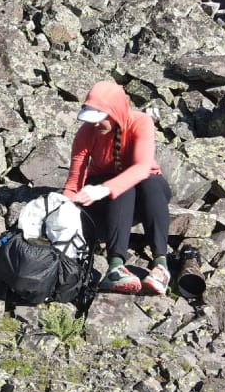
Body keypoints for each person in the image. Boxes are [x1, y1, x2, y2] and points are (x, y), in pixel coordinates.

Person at [62, 81, 171, 295]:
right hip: (107, 197)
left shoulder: (141, 122)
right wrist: (64, 205)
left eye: (100, 118)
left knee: (150, 182)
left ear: (116, 112)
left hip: (142, 191)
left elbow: (142, 167)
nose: (95, 124)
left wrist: (104, 188)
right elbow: (74, 180)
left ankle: (160, 265)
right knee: (123, 188)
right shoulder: (86, 133)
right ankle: (115, 267)